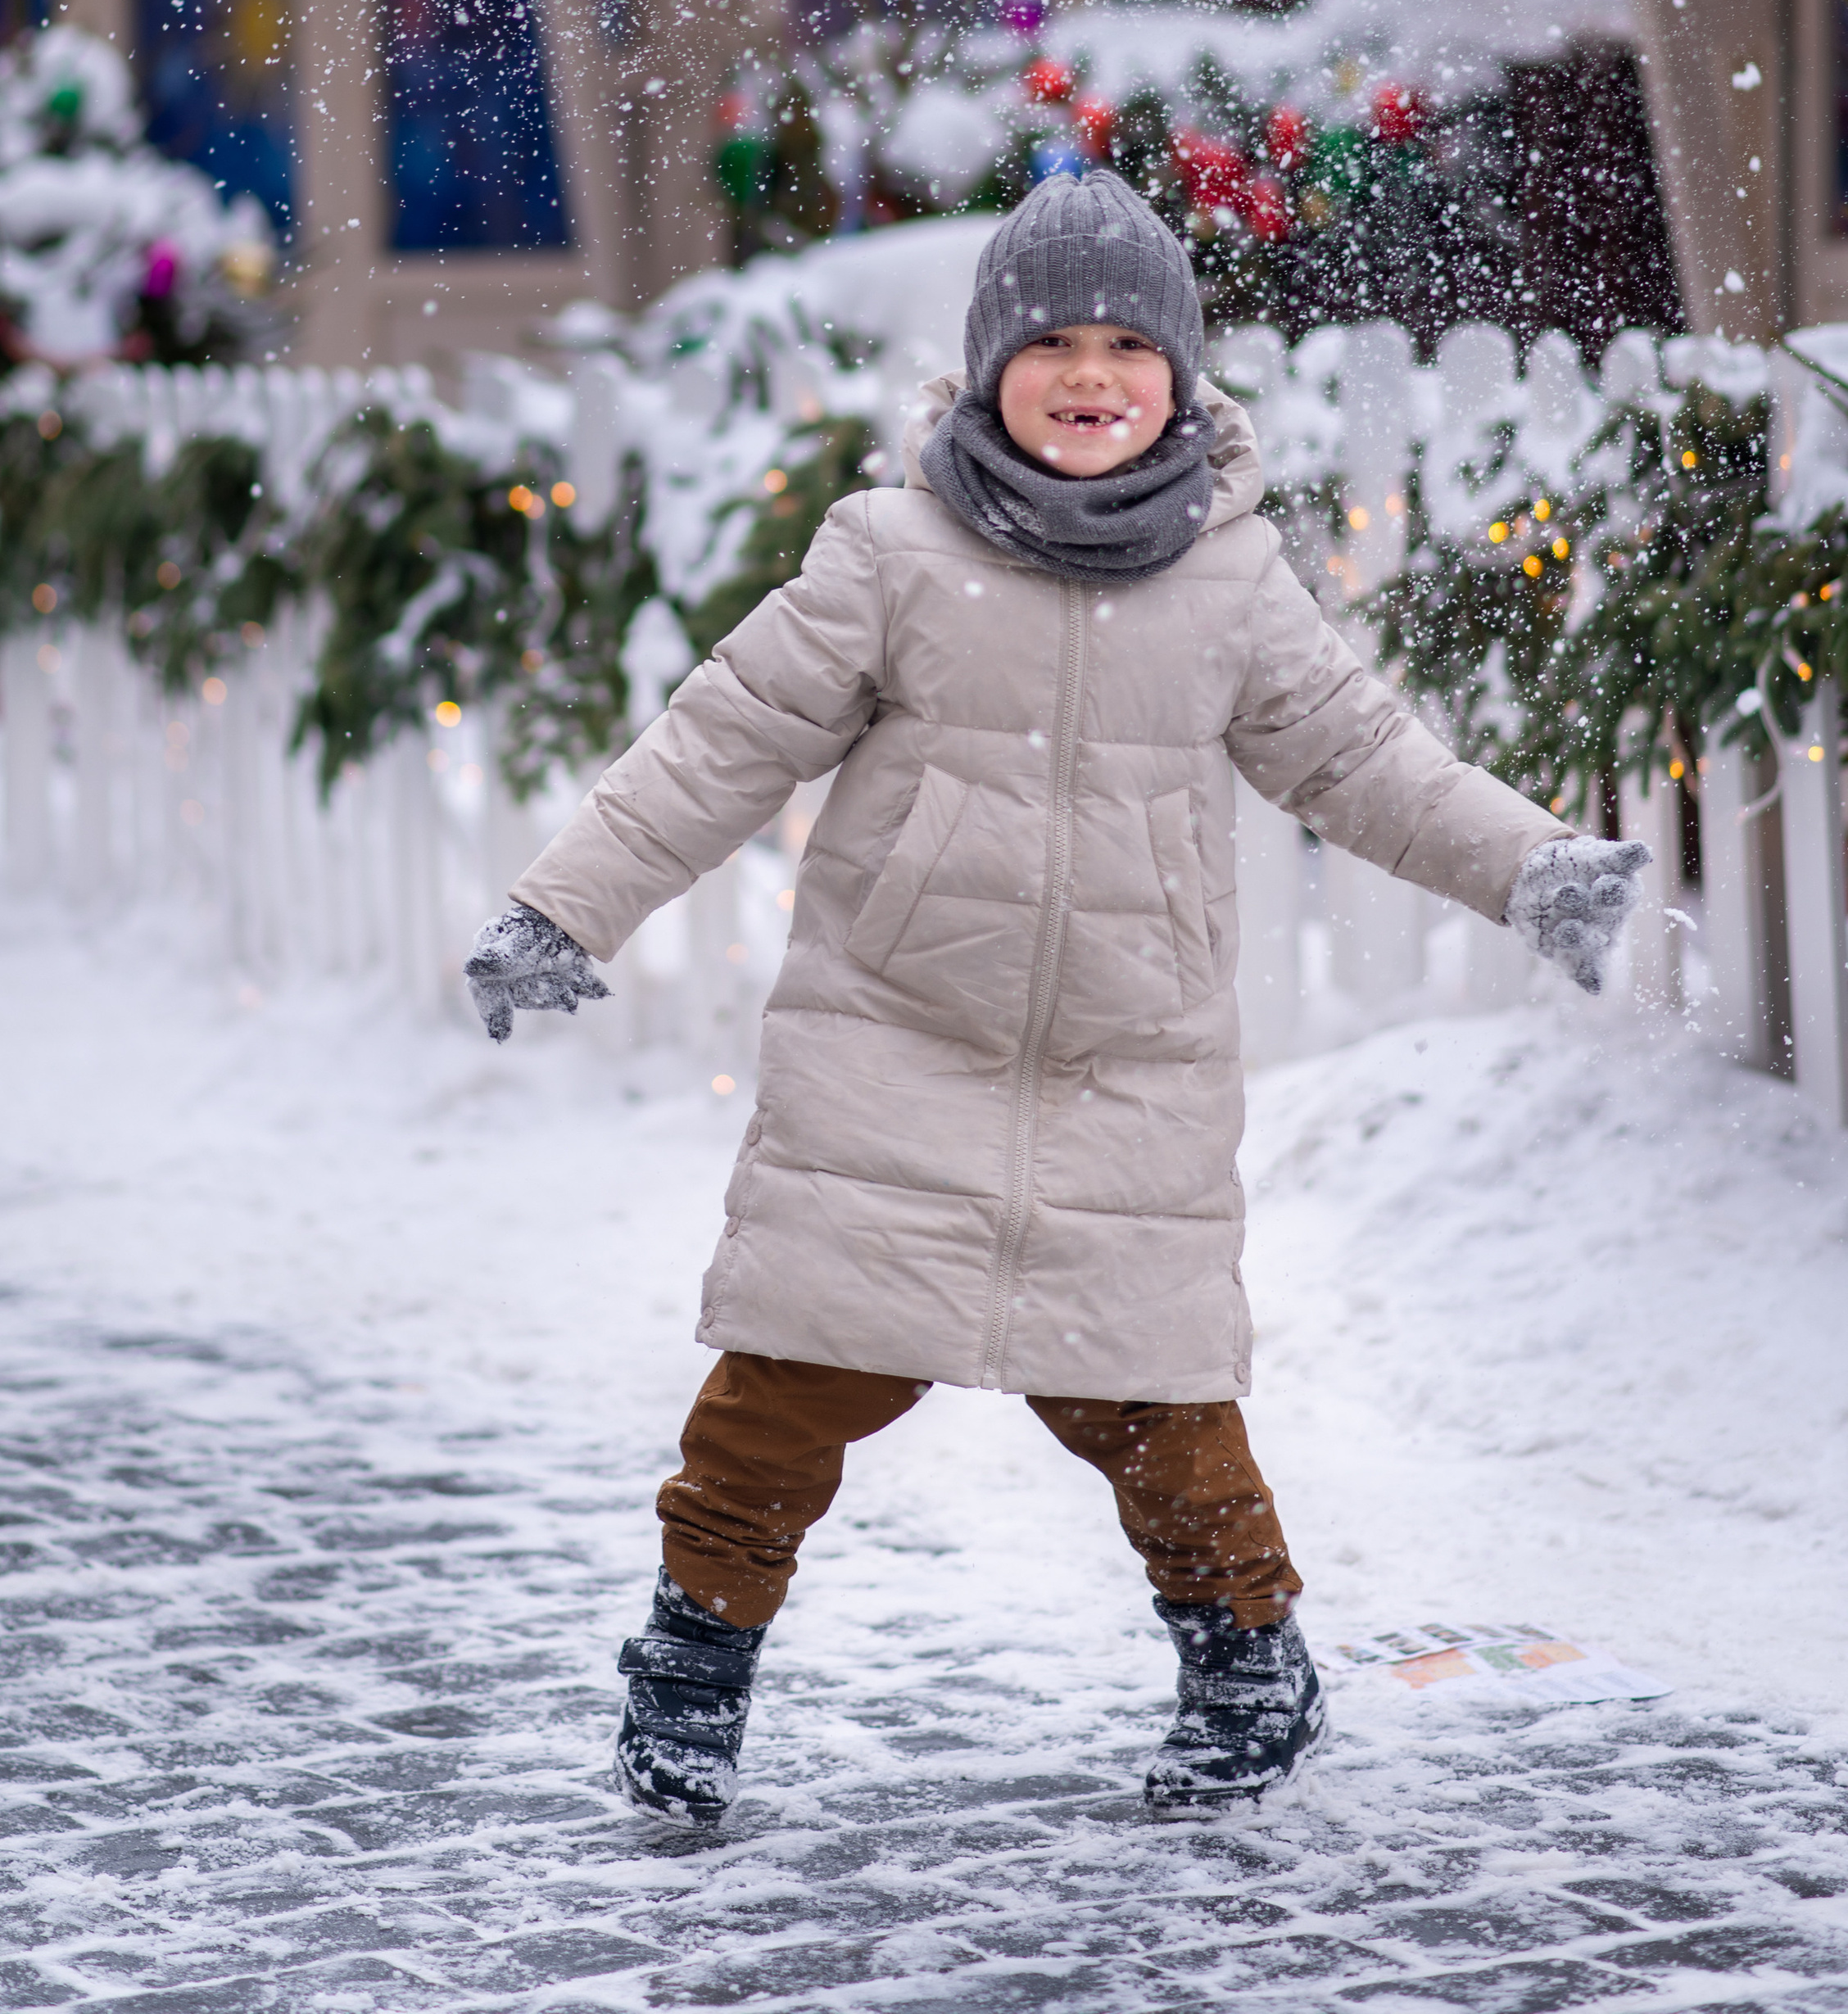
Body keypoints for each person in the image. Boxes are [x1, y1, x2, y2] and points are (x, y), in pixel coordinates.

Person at [463, 170, 1646, 1824]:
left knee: (1159, 1406)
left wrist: (1528, 866)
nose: (1090, 374)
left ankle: (1250, 1664)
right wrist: (561, 905)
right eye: (1050, 346)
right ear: (985, 369)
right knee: (777, 1395)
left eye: (1127, 346)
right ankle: (689, 1673)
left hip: (1125, 1068)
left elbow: (1366, 762)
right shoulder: (890, 556)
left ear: (1178, 374)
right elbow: (720, 741)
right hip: (889, 1050)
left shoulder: (1231, 583)